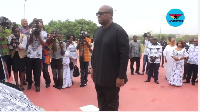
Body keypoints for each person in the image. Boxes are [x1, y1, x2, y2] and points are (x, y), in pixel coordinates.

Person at [91, 5, 129, 111]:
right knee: (101, 103)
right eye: (97, 14)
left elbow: (124, 55)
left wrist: (121, 76)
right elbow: (95, 53)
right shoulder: (97, 32)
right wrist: (93, 68)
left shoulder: (119, 31)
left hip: (112, 78)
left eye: (101, 14)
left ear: (110, 15)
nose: (98, 16)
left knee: (111, 106)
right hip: (98, 76)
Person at [26, 21, 47, 92]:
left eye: (40, 25)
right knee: (28, 70)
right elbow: (29, 42)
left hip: (38, 55)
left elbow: (44, 45)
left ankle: (37, 85)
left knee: (37, 71)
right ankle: (29, 84)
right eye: (38, 25)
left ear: (42, 26)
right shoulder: (31, 31)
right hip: (30, 54)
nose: (39, 26)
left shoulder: (44, 33)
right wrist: (32, 34)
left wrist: (38, 36)